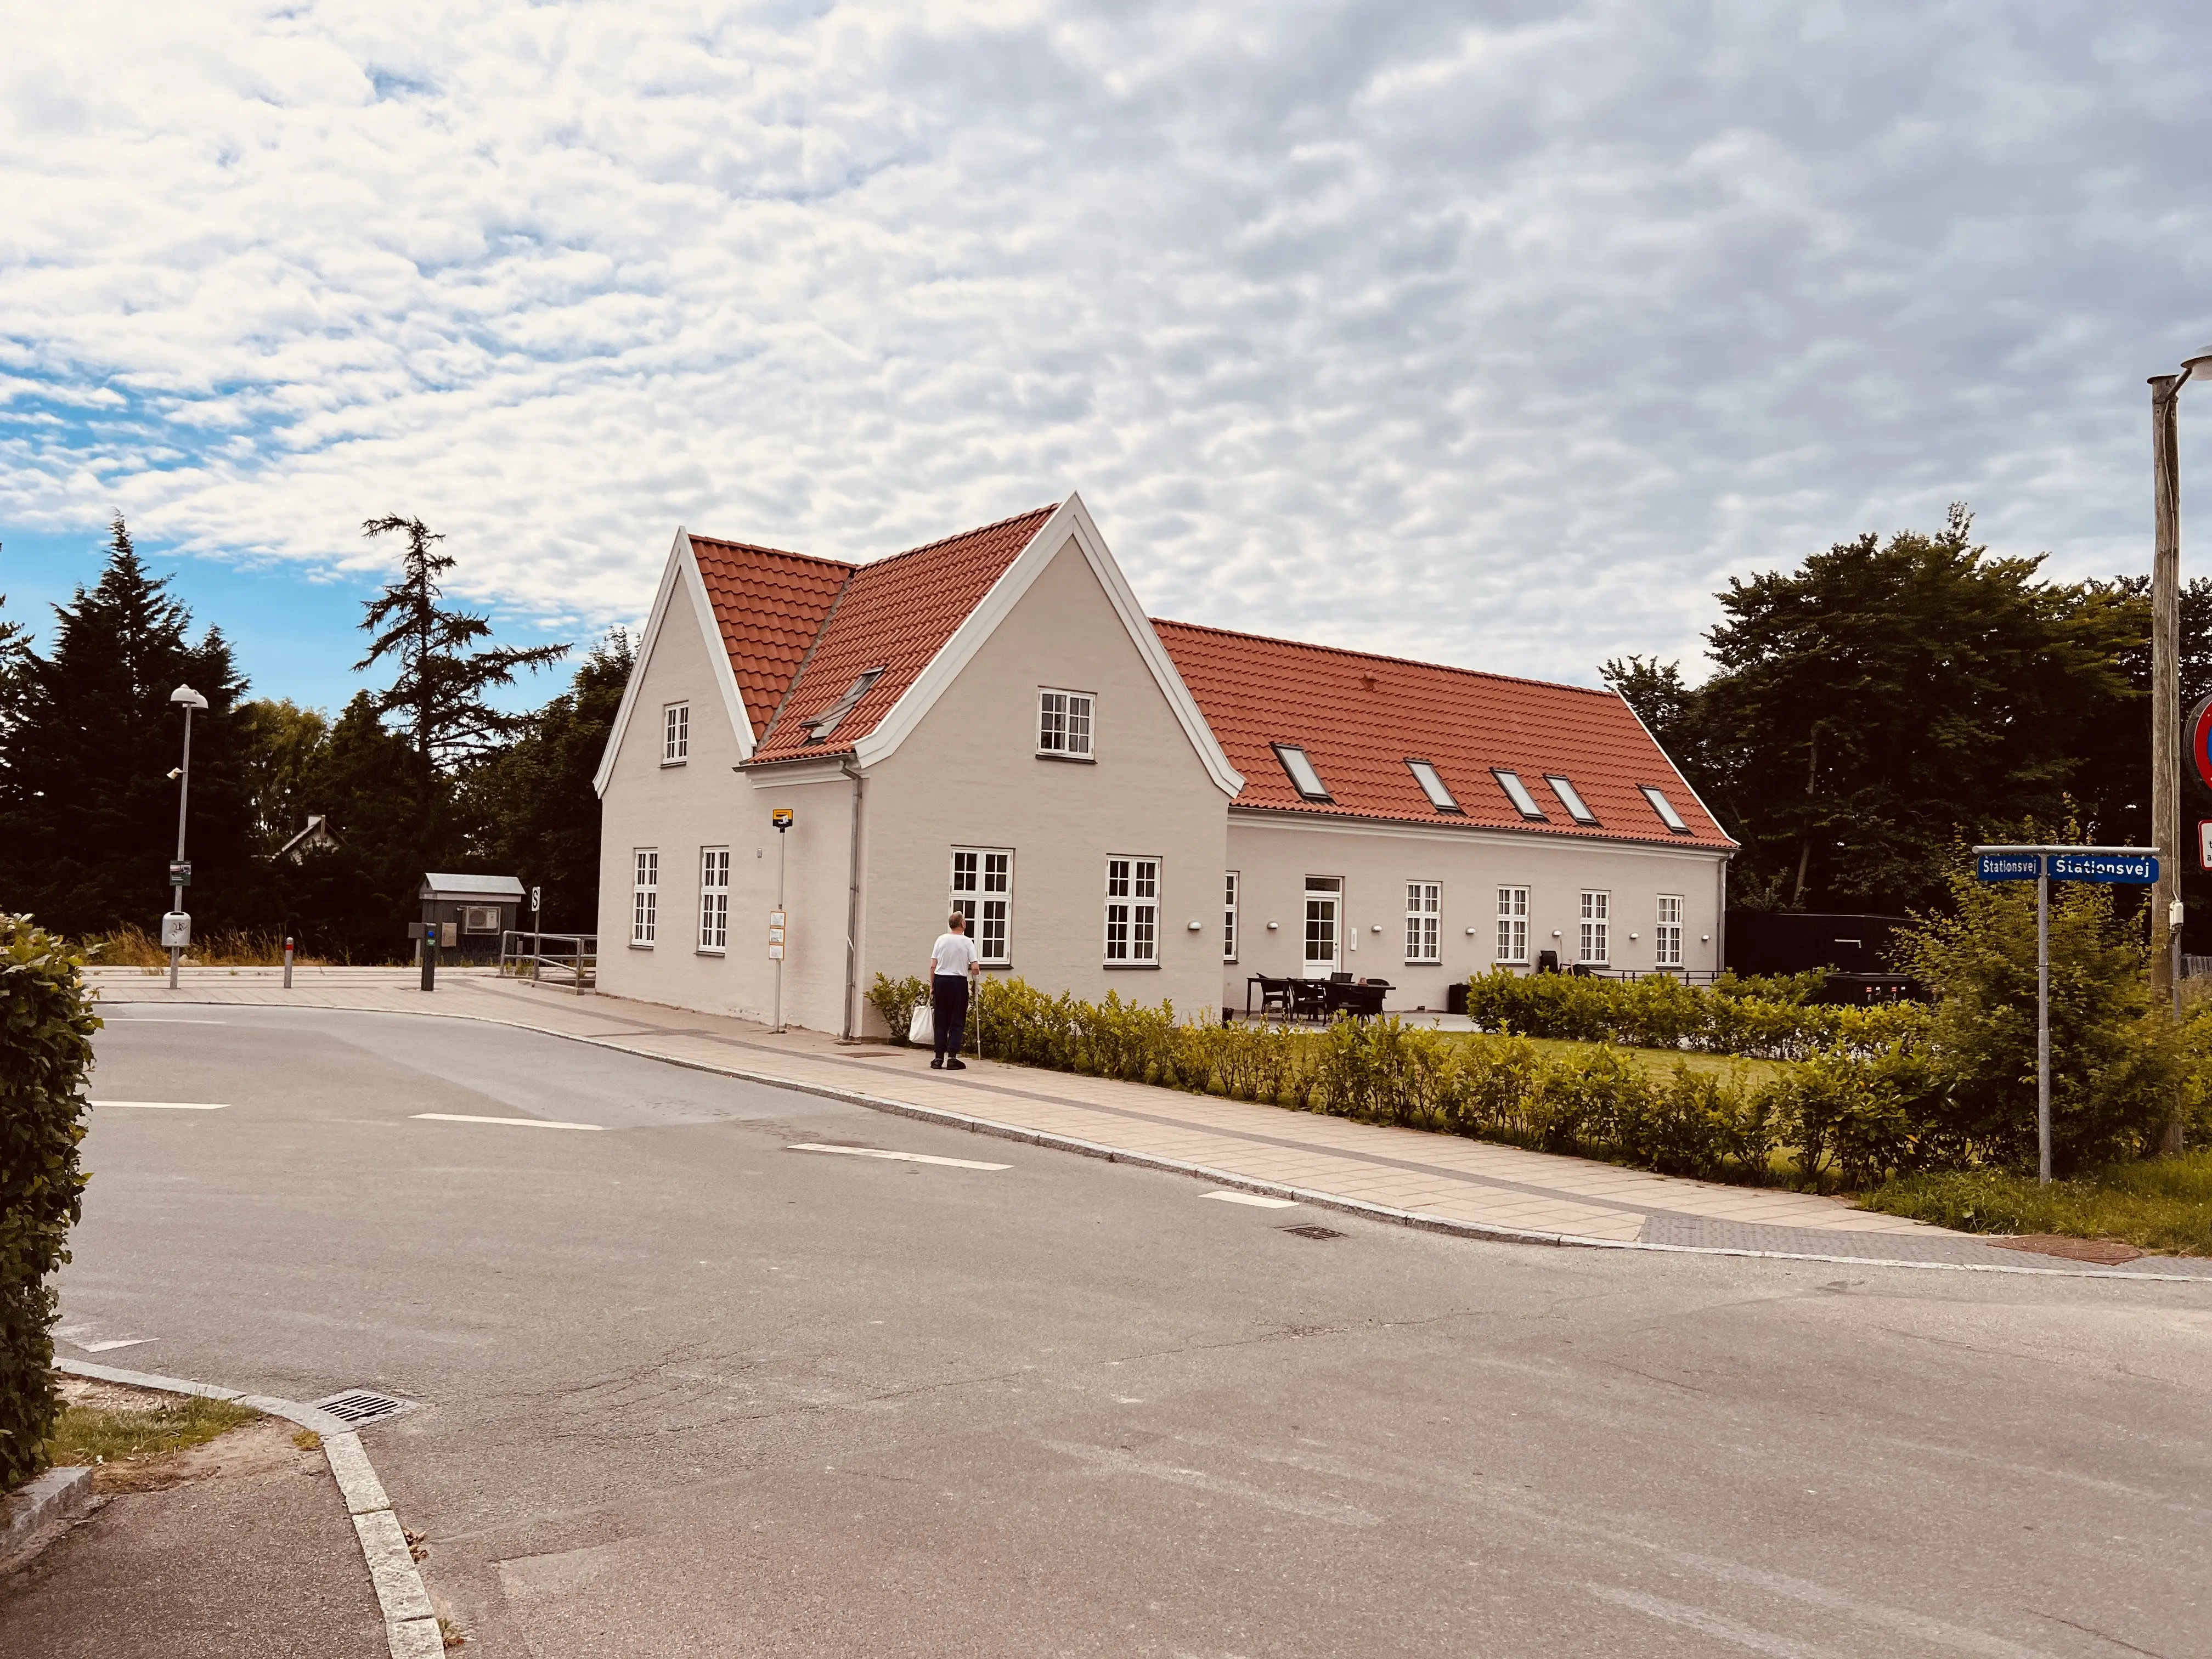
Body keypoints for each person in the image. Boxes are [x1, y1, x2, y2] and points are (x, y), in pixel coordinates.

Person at [928, 911, 981, 1069]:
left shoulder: (941, 940)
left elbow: (933, 966)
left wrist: (933, 986)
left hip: (941, 981)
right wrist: (975, 984)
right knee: (957, 1019)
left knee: (941, 1020)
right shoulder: (967, 942)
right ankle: (952, 1058)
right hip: (958, 982)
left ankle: (938, 1059)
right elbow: (975, 967)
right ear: (963, 924)